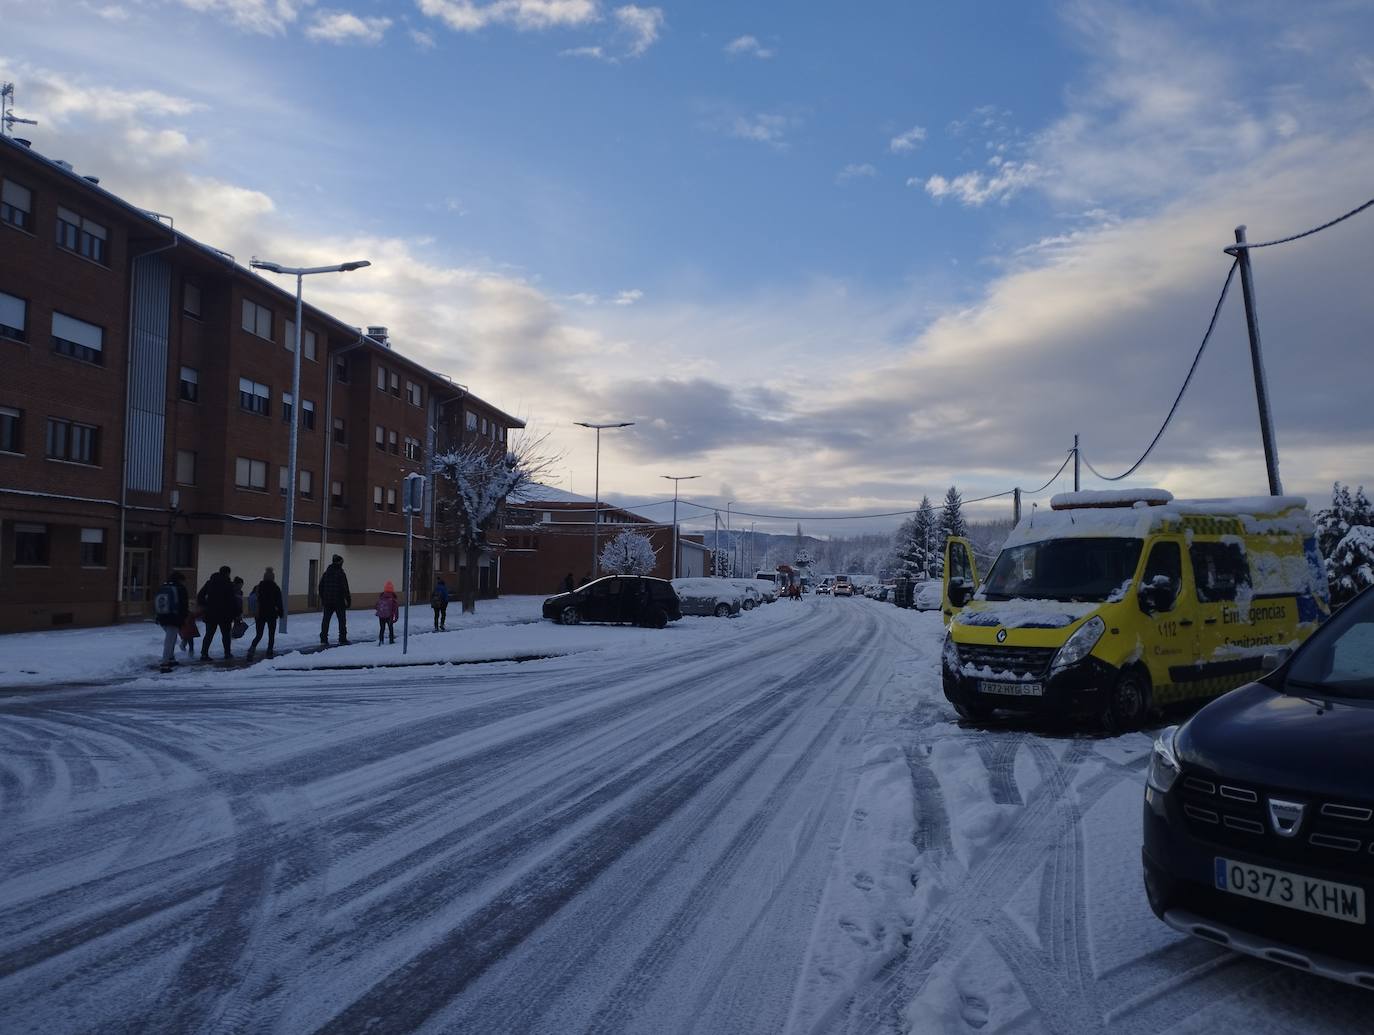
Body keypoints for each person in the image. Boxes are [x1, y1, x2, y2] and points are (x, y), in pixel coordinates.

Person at [197, 565, 239, 660]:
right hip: (225, 614)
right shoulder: (228, 584)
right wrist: (236, 613)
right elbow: (232, 600)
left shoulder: (210, 582)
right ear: (228, 573)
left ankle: (204, 654)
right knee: (226, 635)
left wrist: (206, 605)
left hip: (211, 612)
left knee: (209, 634)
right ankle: (227, 653)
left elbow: (200, 596)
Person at [153, 571, 189, 670]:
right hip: (174, 617)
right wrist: (184, 617)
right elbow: (183, 604)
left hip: (162, 616)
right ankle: (165, 663)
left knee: (172, 638)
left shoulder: (163, 587)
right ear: (180, 580)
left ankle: (171, 658)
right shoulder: (180, 588)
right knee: (169, 640)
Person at [247, 567, 284, 661]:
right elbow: (279, 602)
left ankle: (251, 649)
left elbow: (253, 599)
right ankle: (269, 650)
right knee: (271, 634)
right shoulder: (275, 588)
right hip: (272, 614)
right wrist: (281, 612)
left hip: (260, 614)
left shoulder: (258, 587)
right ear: (273, 578)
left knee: (259, 634)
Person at [318, 554, 352, 645]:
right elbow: (345, 588)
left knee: (326, 620)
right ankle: (342, 638)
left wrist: (323, 598)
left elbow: (320, 586)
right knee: (342, 621)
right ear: (340, 563)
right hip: (339, 601)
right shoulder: (341, 574)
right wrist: (348, 600)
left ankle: (323, 639)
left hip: (328, 601)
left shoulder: (326, 573)